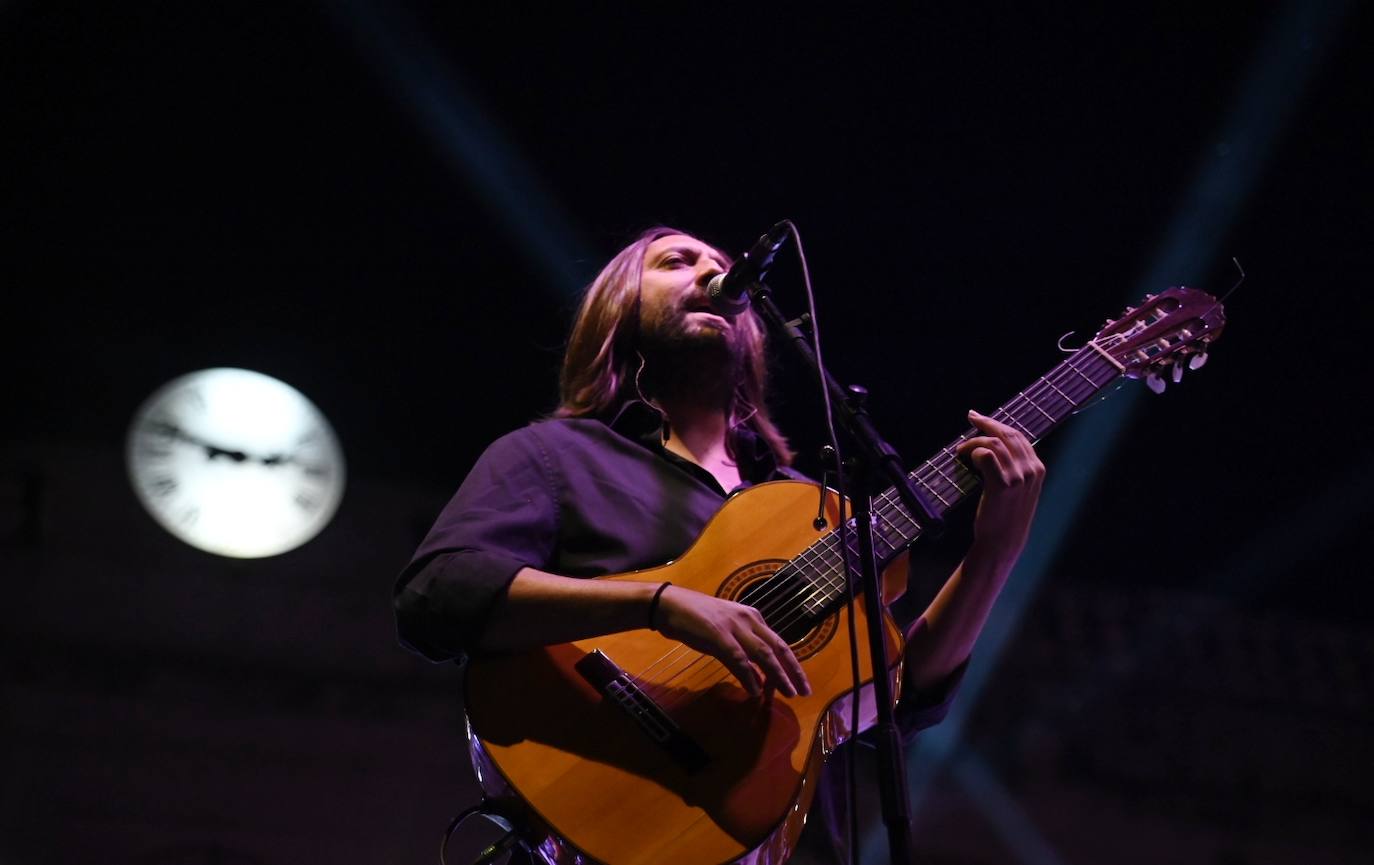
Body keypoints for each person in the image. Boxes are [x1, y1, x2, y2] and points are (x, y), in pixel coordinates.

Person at [394, 226, 1045, 861]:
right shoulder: (555, 456)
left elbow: (893, 700)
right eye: (676, 262)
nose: (711, 273)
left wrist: (994, 552)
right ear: (618, 306)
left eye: (720, 264)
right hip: (597, 822)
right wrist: (660, 604)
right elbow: (440, 593)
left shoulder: (807, 509)